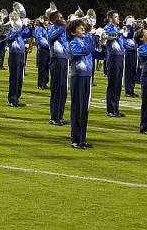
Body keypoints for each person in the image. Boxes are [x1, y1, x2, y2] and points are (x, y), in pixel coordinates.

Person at [67, 19, 99, 149]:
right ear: (73, 32)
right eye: (80, 28)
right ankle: (75, 139)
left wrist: (104, 43)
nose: (83, 30)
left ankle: (82, 139)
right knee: (77, 109)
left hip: (87, 77)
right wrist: (92, 38)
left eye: (83, 28)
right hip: (78, 78)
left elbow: (97, 53)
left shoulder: (84, 41)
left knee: (85, 109)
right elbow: (83, 51)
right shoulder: (73, 43)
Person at [47, 11, 69, 126]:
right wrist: (64, 25)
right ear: (53, 19)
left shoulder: (63, 30)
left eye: (62, 16)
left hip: (65, 60)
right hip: (56, 60)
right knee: (56, 89)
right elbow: (51, 37)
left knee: (63, 90)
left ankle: (60, 116)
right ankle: (54, 117)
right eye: (59, 17)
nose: (62, 18)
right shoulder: (51, 28)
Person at [104, 10, 126, 117]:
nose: (118, 19)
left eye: (118, 17)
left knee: (118, 84)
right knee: (112, 84)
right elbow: (108, 35)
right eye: (116, 17)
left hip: (120, 57)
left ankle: (116, 108)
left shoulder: (118, 29)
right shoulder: (108, 28)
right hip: (113, 58)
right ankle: (110, 110)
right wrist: (119, 32)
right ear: (110, 19)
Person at [5, 19, 31, 107]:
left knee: (19, 78)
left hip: (21, 55)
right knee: (14, 78)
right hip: (14, 56)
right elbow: (9, 38)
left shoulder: (18, 32)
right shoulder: (9, 30)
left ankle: (17, 98)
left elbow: (28, 34)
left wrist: (30, 27)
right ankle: (12, 99)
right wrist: (21, 27)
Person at [34, 17, 50, 90]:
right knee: (42, 67)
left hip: (47, 50)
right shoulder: (39, 28)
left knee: (47, 67)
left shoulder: (46, 29)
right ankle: (41, 83)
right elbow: (39, 38)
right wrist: (48, 45)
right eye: (46, 20)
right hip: (43, 49)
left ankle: (45, 82)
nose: (47, 22)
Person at [123, 20, 138, 98]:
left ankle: (131, 90)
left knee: (133, 73)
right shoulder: (125, 30)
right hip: (129, 53)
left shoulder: (132, 34)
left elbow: (133, 34)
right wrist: (130, 27)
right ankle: (128, 91)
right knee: (129, 73)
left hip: (134, 53)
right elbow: (127, 36)